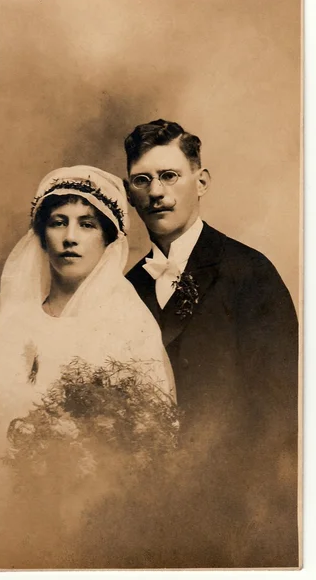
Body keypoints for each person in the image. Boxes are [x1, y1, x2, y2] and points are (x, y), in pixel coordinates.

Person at [0, 165, 176, 569]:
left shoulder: (128, 322)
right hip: (7, 508)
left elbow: (147, 440)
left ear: (109, 240)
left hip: (91, 515)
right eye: (59, 222)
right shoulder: (16, 319)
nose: (70, 237)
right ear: (42, 235)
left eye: (87, 224)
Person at [124, 119, 299, 567]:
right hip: (148, 509)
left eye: (169, 176)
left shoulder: (248, 272)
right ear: (129, 193)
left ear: (200, 182)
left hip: (238, 510)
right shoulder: (121, 290)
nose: (156, 191)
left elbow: (280, 409)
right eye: (142, 180)